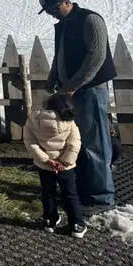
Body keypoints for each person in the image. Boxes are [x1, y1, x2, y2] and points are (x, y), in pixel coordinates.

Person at [39, 0, 117, 215]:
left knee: (95, 143)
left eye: (54, 8)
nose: (52, 14)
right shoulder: (64, 23)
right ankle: (85, 189)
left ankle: (101, 198)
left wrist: (73, 85)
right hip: (71, 92)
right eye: (48, 11)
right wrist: (54, 76)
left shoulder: (90, 19)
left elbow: (96, 57)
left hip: (90, 90)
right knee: (78, 142)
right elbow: (60, 54)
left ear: (66, 1)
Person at [24, 93, 85, 238]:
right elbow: (75, 143)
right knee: (70, 194)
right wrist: (64, 162)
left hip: (45, 166)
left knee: (47, 192)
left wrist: (46, 160)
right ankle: (77, 225)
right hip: (65, 167)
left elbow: (30, 142)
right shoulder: (68, 121)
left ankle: (49, 220)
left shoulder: (33, 119)